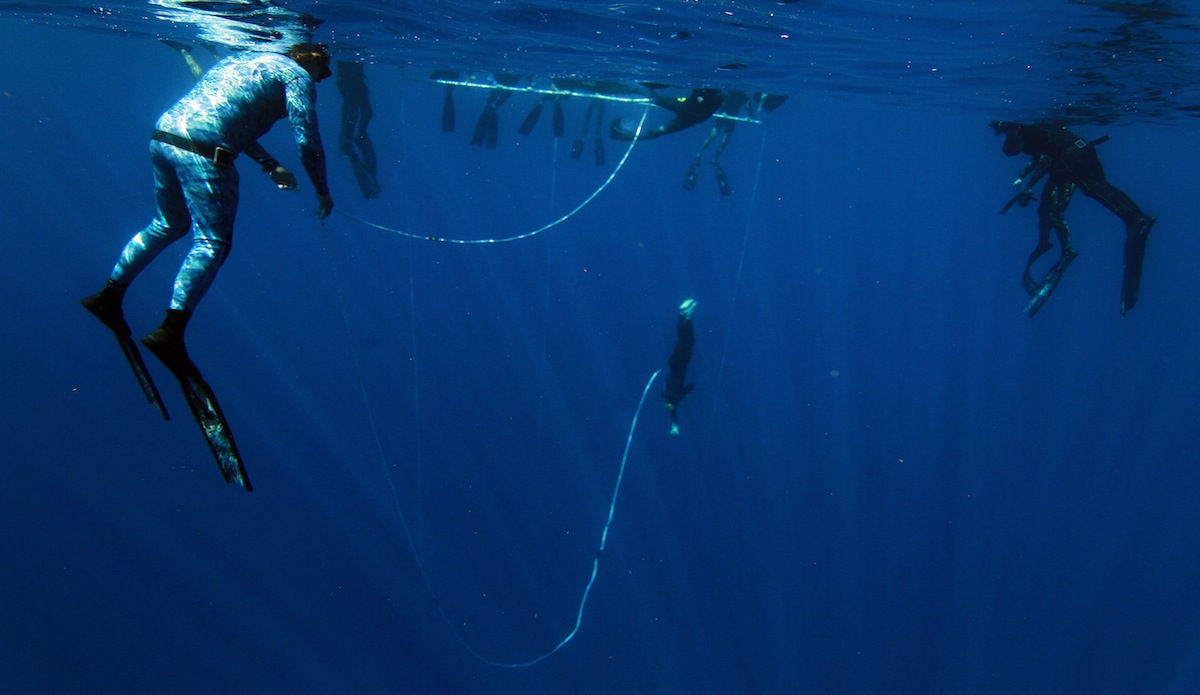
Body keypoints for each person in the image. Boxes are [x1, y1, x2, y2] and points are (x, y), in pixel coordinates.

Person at [81, 43, 334, 372]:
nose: (322, 79)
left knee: (167, 225)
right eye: (323, 72)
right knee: (212, 242)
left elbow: (226, 118)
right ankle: (170, 332)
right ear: (312, 60)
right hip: (204, 153)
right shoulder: (296, 76)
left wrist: (270, 165)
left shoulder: (243, 59)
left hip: (164, 136)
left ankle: (108, 297)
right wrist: (322, 191)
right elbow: (307, 142)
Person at [990, 120, 1155, 316]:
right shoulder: (1033, 129)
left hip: (1072, 157)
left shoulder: (1020, 129)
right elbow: (1038, 156)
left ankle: (1135, 218)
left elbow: (1020, 153)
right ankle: (1134, 217)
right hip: (1077, 152)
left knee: (1094, 188)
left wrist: (1026, 181)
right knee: (1094, 188)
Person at [336, 61, 380, 199]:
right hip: (350, 81)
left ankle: (355, 138)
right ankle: (348, 141)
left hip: (356, 80)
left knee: (366, 112)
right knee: (353, 111)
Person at [611, 88, 724, 141]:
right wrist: (698, 120)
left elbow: (708, 112)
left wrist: (698, 120)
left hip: (687, 113)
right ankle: (623, 136)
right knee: (654, 99)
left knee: (659, 130)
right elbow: (708, 113)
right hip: (688, 112)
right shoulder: (717, 95)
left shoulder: (717, 95)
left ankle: (624, 136)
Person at [663, 298, 697, 436]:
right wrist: (674, 424)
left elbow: (682, 394)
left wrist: (689, 388)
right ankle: (682, 314)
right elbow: (672, 412)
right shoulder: (666, 396)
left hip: (680, 365)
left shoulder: (675, 397)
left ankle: (687, 315)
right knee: (682, 339)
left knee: (689, 341)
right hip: (672, 363)